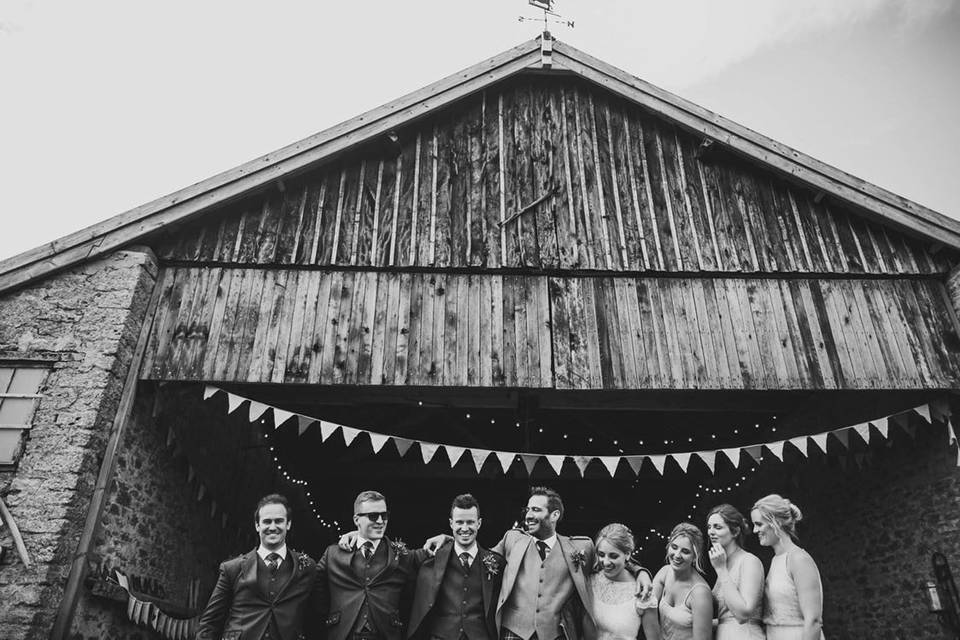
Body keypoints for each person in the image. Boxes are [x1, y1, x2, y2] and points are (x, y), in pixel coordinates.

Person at [424, 486, 653, 640]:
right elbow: (478, 556)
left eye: (536, 509)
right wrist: (449, 538)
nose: (529, 514)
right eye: (528, 509)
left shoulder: (580, 547)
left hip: (555, 634)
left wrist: (639, 570)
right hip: (513, 632)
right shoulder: (512, 539)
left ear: (554, 515)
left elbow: (609, 561)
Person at [196, 493, 319, 640]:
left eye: (279, 521)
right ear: (257, 525)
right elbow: (210, 623)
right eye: (267, 522)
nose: (272, 527)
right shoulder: (232, 568)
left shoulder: (306, 567)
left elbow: (316, 619)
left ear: (288, 524)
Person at [316, 490, 429, 640]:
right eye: (373, 516)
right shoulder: (333, 554)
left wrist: (444, 537)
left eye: (384, 515)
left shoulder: (400, 555)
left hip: (386, 635)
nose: (381, 521)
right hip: (344, 634)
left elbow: (437, 554)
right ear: (357, 520)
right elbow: (315, 592)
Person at [407, 494, 505, 640]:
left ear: (479, 523)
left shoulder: (496, 562)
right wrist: (360, 534)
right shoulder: (432, 558)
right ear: (451, 523)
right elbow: (397, 559)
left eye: (470, 522)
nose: (465, 528)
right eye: (459, 522)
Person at [751, 495, 824, 640]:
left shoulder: (798, 559)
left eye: (759, 524)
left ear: (776, 522)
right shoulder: (776, 560)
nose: (754, 530)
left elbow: (814, 620)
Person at [587, 523, 660, 640]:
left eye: (613, 556)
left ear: (627, 554)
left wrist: (642, 573)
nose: (605, 562)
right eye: (601, 555)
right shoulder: (589, 580)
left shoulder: (642, 590)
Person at [706, 504, 765, 640]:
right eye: (709, 527)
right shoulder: (723, 562)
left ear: (735, 531)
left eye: (717, 527)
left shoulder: (749, 561)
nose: (711, 532)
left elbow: (743, 614)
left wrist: (721, 570)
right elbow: (726, 618)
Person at [651, 523, 712, 640]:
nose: (677, 555)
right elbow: (647, 608)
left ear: (695, 557)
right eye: (674, 547)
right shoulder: (665, 572)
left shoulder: (700, 593)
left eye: (685, 551)